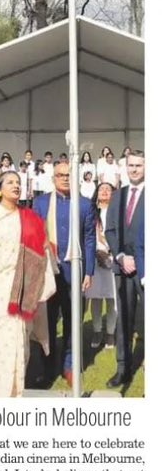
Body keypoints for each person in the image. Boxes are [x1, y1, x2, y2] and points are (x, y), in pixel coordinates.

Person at [0, 172, 51, 397]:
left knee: (20, 345)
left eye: (18, 183)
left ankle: (15, 395)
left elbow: (43, 250)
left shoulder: (29, 217)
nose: (16, 186)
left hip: (23, 291)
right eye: (10, 182)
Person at [33, 159, 96, 386]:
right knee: (47, 322)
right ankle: (48, 367)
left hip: (74, 271)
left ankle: (70, 365)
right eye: (60, 175)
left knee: (73, 320)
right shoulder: (40, 203)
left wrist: (89, 271)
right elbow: (34, 238)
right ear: (53, 179)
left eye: (69, 175)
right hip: (48, 272)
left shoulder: (85, 205)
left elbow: (89, 239)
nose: (65, 179)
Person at [105, 150, 145, 387]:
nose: (134, 169)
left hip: (147, 267)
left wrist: (140, 260)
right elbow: (110, 230)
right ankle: (123, 369)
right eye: (131, 165)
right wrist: (121, 256)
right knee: (124, 319)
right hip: (123, 266)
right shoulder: (118, 196)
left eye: (139, 165)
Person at [88, 183, 117, 350]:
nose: (105, 191)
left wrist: (111, 252)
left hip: (114, 258)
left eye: (108, 189)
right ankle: (97, 331)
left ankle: (110, 333)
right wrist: (97, 252)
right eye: (101, 189)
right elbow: (87, 234)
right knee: (96, 298)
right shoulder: (91, 212)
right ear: (96, 193)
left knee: (112, 298)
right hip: (95, 258)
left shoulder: (117, 212)